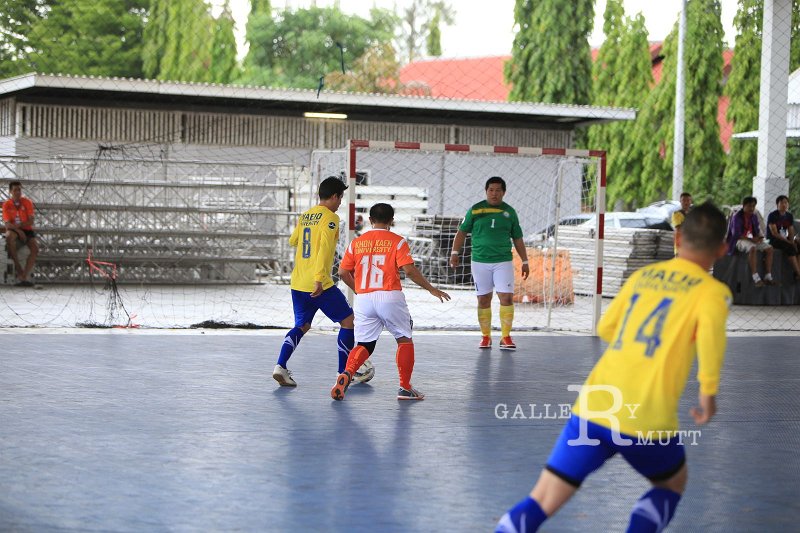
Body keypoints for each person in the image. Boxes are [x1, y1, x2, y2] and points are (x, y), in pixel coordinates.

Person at [496, 202, 732, 533]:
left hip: (594, 406)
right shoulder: (712, 293)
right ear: (722, 250)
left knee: (544, 498)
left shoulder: (643, 277)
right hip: (646, 417)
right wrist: (708, 394)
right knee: (671, 484)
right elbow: (710, 344)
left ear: (678, 239)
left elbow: (607, 329)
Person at [331, 202, 450, 401]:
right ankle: (405, 388)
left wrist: (359, 290)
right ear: (391, 221)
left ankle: (347, 373)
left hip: (364, 299)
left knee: (365, 344)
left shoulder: (356, 242)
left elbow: (342, 272)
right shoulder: (398, 241)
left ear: (370, 220)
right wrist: (431, 289)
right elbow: (409, 270)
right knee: (404, 339)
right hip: (389, 296)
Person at [272, 176, 355, 387]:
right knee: (348, 322)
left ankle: (280, 366)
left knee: (302, 325)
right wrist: (319, 279)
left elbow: (293, 240)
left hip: (298, 282)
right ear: (334, 196)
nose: (340, 203)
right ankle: (343, 373)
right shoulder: (331, 218)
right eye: (340, 198)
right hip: (320, 284)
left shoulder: (306, 215)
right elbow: (325, 250)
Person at [450, 176, 529, 350]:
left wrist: (525, 260)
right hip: (480, 262)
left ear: (504, 192)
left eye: (498, 190)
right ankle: (485, 337)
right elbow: (461, 232)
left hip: (503, 261)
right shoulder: (475, 210)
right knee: (483, 299)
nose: (494, 193)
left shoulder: (510, 212)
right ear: (486, 191)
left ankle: (506, 337)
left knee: (506, 297)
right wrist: (454, 252)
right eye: (491, 190)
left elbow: (517, 238)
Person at [725, 196, 775, 287]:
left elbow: (757, 230)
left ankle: (768, 276)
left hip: (750, 239)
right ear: (743, 206)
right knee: (752, 248)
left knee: (769, 248)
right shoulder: (736, 217)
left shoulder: (754, 216)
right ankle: (756, 278)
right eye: (749, 206)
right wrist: (752, 240)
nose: (751, 208)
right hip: (738, 240)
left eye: (753, 206)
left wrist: (759, 237)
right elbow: (736, 235)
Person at [3, 181, 39, 287]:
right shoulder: (7, 204)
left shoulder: (27, 202)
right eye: (15, 190)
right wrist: (18, 230)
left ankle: (24, 275)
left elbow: (31, 221)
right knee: (9, 237)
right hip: (14, 230)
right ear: (10, 191)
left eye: (19, 190)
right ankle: (18, 268)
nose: (18, 192)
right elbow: (7, 224)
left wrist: (20, 227)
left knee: (35, 248)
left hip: (26, 229)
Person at [766, 195, 800, 281]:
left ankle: (797, 272)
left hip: (784, 238)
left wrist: (792, 241)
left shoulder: (789, 216)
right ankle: (798, 273)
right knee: (790, 247)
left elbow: (791, 230)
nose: (784, 205)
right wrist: (789, 242)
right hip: (773, 239)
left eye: (786, 203)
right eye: (781, 203)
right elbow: (774, 233)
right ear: (777, 204)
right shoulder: (772, 215)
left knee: (798, 245)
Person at [670, 192, 692, 256]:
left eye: (688, 200)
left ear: (691, 201)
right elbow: (678, 230)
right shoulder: (677, 214)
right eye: (684, 200)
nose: (686, 203)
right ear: (680, 201)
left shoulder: (693, 214)